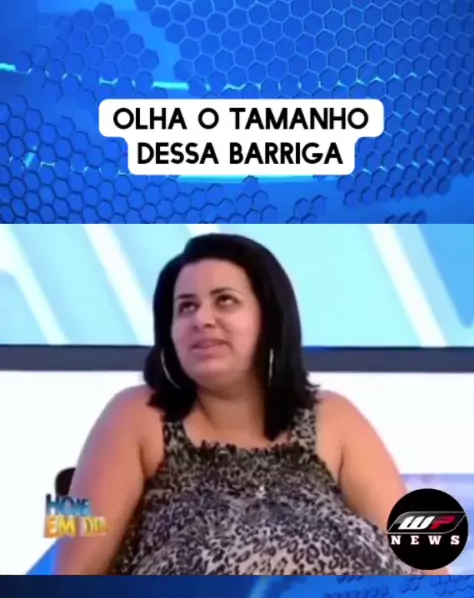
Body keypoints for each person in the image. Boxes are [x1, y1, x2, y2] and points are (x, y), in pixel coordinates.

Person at [54, 233, 447, 577]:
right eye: (185, 306)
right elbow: (68, 568)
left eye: (225, 301)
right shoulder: (131, 412)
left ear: (270, 319)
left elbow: (429, 565)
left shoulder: (336, 416)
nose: (201, 319)